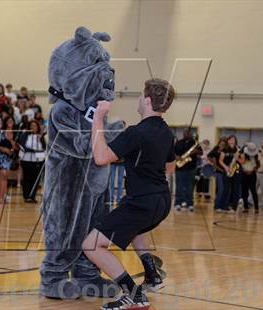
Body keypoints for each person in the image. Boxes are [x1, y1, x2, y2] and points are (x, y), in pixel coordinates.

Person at [83, 78, 176, 310]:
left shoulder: (136, 133)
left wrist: (97, 119)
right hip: (162, 201)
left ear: (146, 100)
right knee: (134, 229)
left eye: (139, 95)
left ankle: (133, 294)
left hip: (142, 202)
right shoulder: (167, 132)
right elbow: (170, 167)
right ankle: (152, 273)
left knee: (91, 246)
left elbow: (101, 157)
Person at [174, 129, 202, 212]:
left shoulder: (194, 143)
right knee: (179, 186)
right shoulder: (178, 143)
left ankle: (189, 204)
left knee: (190, 187)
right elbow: (172, 152)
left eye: (188, 132)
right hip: (179, 167)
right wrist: (177, 157)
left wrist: (196, 151)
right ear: (183, 134)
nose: (187, 134)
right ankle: (177, 203)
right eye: (185, 132)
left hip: (191, 168)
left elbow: (201, 153)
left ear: (190, 134)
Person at [19, 120, 46, 203]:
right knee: (27, 178)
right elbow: (22, 146)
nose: (33, 127)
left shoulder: (41, 136)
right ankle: (26, 196)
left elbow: (44, 147)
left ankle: (32, 197)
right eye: (31, 126)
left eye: (35, 126)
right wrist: (33, 150)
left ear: (37, 127)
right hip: (26, 160)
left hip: (38, 160)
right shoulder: (25, 135)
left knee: (36, 179)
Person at [219, 135, 242, 213]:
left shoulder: (239, 149)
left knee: (235, 189)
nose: (232, 141)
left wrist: (237, 157)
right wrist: (226, 167)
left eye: (233, 139)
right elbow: (220, 160)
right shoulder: (224, 150)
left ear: (235, 141)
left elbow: (242, 161)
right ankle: (223, 207)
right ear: (227, 141)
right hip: (227, 170)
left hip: (237, 171)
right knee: (226, 189)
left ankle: (234, 208)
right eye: (230, 140)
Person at [208, 137, 227, 212]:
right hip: (218, 172)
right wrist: (213, 162)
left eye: (224, 144)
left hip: (226, 172)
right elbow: (209, 156)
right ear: (219, 143)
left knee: (223, 189)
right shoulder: (215, 150)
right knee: (221, 189)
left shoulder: (226, 151)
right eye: (221, 144)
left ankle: (222, 205)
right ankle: (217, 205)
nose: (222, 145)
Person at [240, 142, 260, 213]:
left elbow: (258, 165)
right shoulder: (242, 154)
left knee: (253, 191)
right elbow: (240, 164)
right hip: (244, 174)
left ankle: (256, 208)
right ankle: (245, 208)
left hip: (252, 174)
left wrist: (253, 170)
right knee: (244, 191)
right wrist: (244, 170)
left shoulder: (256, 156)